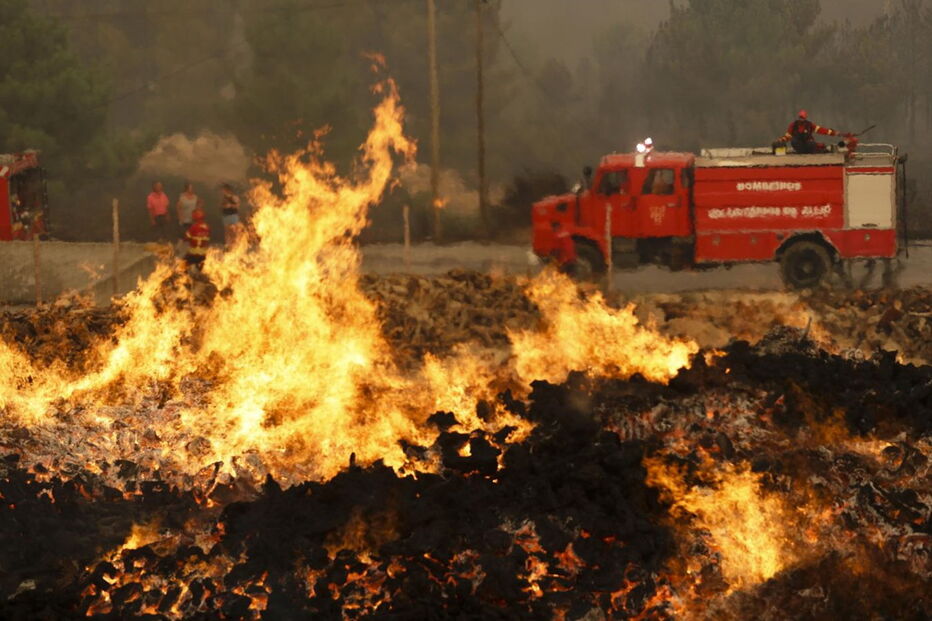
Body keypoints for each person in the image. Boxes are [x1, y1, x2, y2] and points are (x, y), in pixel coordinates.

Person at [775, 109, 844, 154]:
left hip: (809, 146)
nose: (801, 119)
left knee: (811, 143)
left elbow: (821, 130)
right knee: (794, 140)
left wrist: (834, 133)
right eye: (800, 117)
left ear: (805, 118)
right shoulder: (793, 125)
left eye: (802, 118)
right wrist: (781, 140)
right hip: (799, 147)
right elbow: (788, 136)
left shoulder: (809, 125)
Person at [220, 183, 241, 247]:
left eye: (223, 189)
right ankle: (227, 245)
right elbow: (222, 205)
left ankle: (234, 245)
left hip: (233, 216)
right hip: (226, 216)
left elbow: (237, 206)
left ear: (227, 189)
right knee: (227, 231)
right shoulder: (223, 197)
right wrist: (224, 206)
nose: (222, 191)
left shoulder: (234, 197)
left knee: (233, 232)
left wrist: (230, 206)